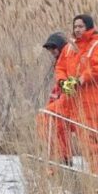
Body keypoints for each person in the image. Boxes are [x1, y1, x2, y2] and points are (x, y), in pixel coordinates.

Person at [54, 14, 98, 178]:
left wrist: (81, 79)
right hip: (70, 99)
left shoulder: (97, 46)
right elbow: (60, 67)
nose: (77, 30)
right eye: (75, 27)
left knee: (91, 141)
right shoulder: (69, 48)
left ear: (88, 27)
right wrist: (62, 82)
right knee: (50, 120)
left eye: (81, 26)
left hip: (91, 103)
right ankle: (63, 161)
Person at [37, 32, 75, 166]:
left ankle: (60, 158)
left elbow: (70, 83)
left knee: (46, 118)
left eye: (53, 48)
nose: (52, 51)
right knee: (57, 128)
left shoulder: (67, 56)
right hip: (65, 101)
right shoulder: (63, 58)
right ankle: (61, 159)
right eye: (50, 49)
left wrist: (66, 90)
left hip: (68, 102)